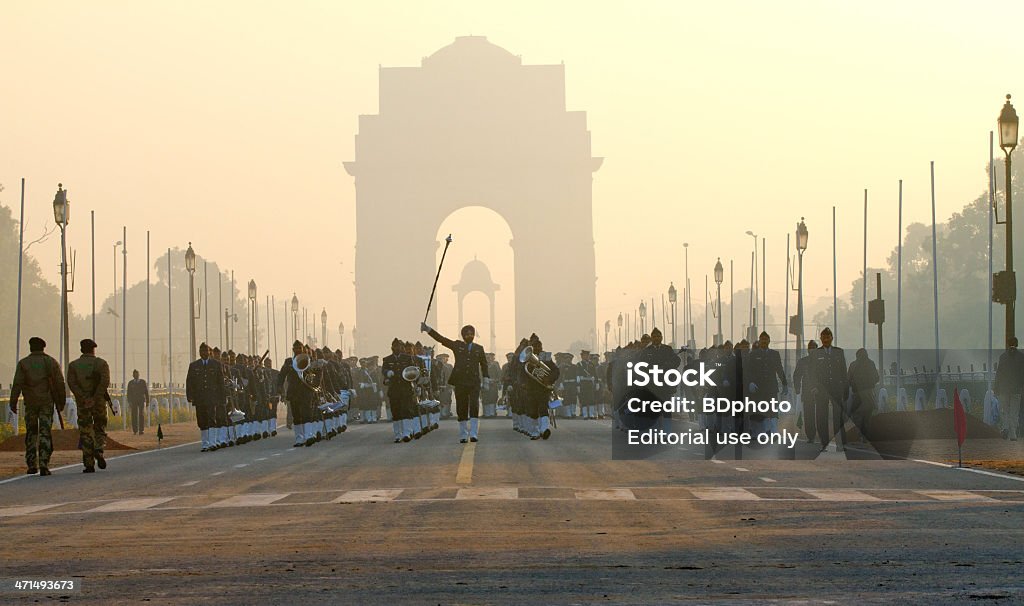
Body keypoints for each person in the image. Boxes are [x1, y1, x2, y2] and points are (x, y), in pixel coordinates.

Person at [421, 322, 489, 443]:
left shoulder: (479, 348)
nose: (469, 336)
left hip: (474, 382)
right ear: (463, 336)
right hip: (460, 381)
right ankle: (463, 434)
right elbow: (442, 339)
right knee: (461, 407)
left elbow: (484, 365)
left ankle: (473, 433)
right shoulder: (457, 345)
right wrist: (428, 330)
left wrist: (486, 378)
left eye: (471, 334)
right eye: (467, 334)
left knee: (474, 406)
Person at [9, 337, 66, 475]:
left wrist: (13, 401)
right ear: (43, 347)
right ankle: (44, 464)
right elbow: (60, 384)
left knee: (31, 433)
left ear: (30, 347)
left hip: (30, 403)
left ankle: (31, 464)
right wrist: (61, 403)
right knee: (45, 433)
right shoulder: (50, 362)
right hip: (46, 403)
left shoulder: (24, 364)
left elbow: (17, 384)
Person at [67, 339, 112, 472]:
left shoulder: (74, 366)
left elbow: (72, 384)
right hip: (98, 403)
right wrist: (95, 397)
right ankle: (99, 448)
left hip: (83, 404)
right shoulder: (101, 364)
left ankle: (89, 464)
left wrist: (83, 397)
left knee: (85, 432)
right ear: (93, 349)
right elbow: (105, 382)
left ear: (81, 350)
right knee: (100, 427)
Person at [809, 328, 849, 452]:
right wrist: (814, 386)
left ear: (832, 338)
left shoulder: (839, 352)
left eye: (828, 337)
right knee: (822, 416)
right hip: (821, 389)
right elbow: (812, 373)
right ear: (820, 339)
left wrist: (845, 388)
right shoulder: (816, 353)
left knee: (838, 416)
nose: (826, 339)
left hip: (836, 388)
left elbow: (843, 371)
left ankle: (840, 443)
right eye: (824, 337)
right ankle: (824, 442)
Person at [744, 331, 787, 437]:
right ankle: (757, 432)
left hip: (771, 386)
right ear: (759, 340)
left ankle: (773, 431)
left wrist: (785, 383)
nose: (764, 341)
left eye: (765, 339)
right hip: (758, 387)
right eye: (762, 339)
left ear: (769, 340)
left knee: (772, 410)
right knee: (758, 410)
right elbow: (748, 371)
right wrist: (750, 382)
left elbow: (780, 370)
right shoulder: (753, 354)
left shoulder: (775, 354)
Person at [186, 343, 226, 452]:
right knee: (202, 421)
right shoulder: (194, 366)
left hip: (212, 397)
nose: (203, 353)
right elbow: (189, 382)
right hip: (199, 398)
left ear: (209, 352)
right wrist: (189, 396)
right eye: (201, 351)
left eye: (205, 351)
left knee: (212, 419)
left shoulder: (216, 365)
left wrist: (222, 397)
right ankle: (205, 444)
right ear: (199, 352)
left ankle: (212, 443)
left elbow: (220, 382)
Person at [520, 333, 560, 440]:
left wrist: (550, 378)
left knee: (543, 408)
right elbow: (522, 373)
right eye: (535, 346)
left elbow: (556, 370)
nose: (538, 348)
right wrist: (523, 383)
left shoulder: (545, 356)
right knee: (532, 411)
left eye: (539, 346)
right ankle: (534, 432)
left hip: (543, 388)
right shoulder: (526, 358)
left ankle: (544, 429)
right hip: (531, 388)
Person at [382, 338, 418, 443]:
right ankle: (398, 434)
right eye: (394, 346)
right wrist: (387, 372)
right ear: (391, 347)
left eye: (398, 346)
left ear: (402, 348)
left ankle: (407, 433)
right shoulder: (387, 359)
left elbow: (413, 370)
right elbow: (383, 370)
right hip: (394, 390)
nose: (396, 348)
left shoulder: (408, 358)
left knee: (407, 411)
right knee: (396, 412)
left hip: (406, 388)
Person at [994, 337, 1024, 440]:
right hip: (1016, 389)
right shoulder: (1021, 357)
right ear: (1017, 344)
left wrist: (996, 387)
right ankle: (1013, 433)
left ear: (1008, 344)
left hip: (1004, 388)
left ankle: (1005, 427)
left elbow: (999, 373)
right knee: (1014, 412)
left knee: (1005, 410)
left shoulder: (1003, 357)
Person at [847, 348, 879, 443]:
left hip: (857, 394)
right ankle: (865, 435)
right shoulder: (871, 364)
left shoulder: (853, 365)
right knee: (867, 415)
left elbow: (848, 379)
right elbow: (876, 378)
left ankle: (859, 434)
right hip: (869, 393)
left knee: (857, 414)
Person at [792, 340, 819, 443]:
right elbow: (796, 375)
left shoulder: (822, 361)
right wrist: (797, 388)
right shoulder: (803, 361)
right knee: (808, 415)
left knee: (821, 415)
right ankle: (811, 435)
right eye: (810, 347)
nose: (812, 349)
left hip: (820, 392)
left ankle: (822, 435)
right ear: (808, 349)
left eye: (814, 347)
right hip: (807, 392)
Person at [126, 369, 150, 435]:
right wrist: (129, 401)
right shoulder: (130, 383)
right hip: (134, 401)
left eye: (137, 374)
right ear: (133, 375)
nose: (136, 375)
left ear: (139, 375)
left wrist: (147, 401)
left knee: (141, 414)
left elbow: (146, 392)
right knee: (134, 415)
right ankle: (135, 430)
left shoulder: (143, 382)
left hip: (141, 400)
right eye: (134, 374)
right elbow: (128, 393)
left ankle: (141, 430)